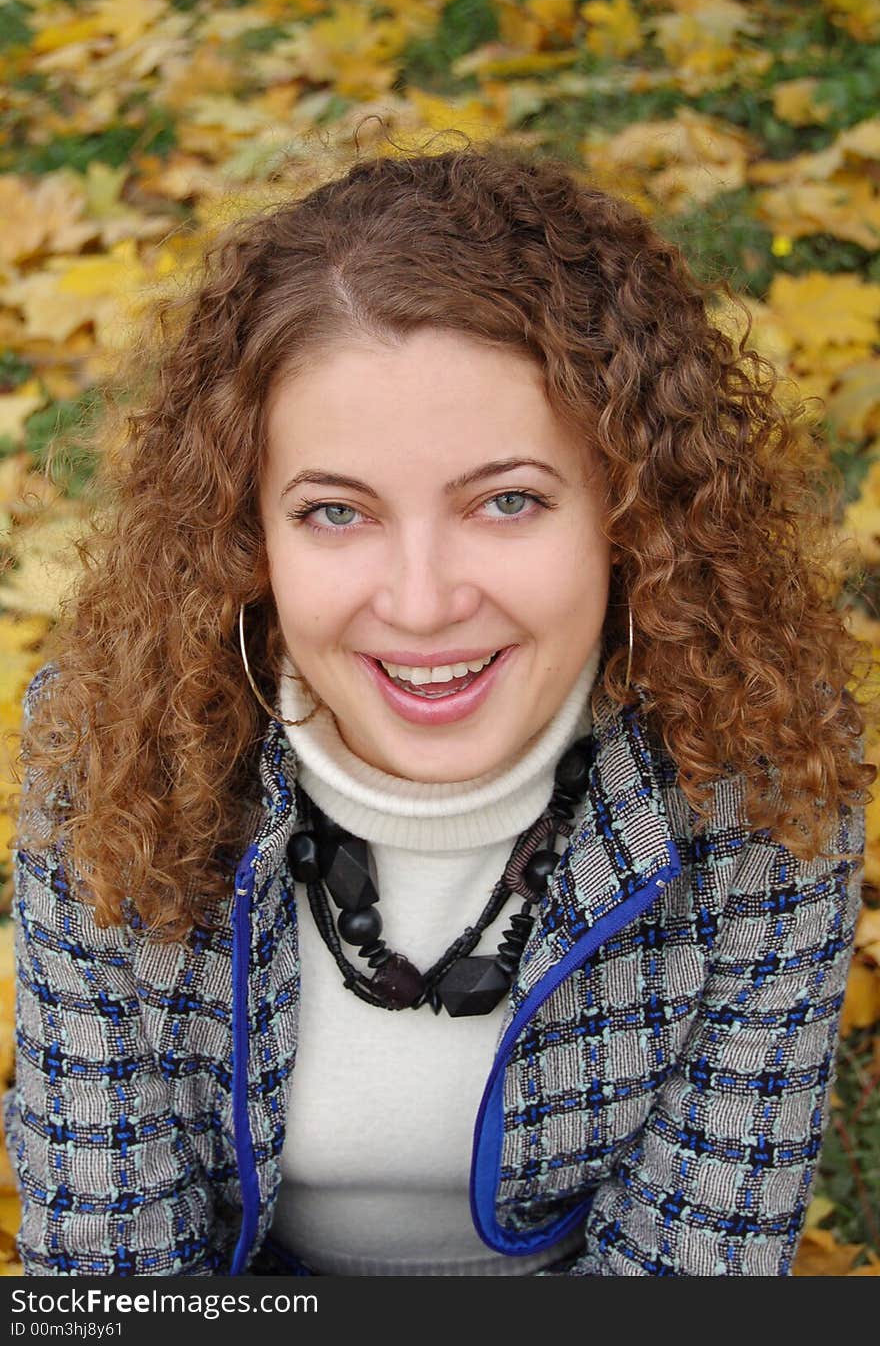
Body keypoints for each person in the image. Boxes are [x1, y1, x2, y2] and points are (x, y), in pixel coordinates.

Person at [4, 143, 875, 1278]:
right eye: (334, 513)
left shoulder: (763, 776)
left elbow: (689, 1267)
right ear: (243, 531)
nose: (422, 603)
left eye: (507, 500)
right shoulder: (112, 753)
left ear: (628, 509)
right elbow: (114, 1269)